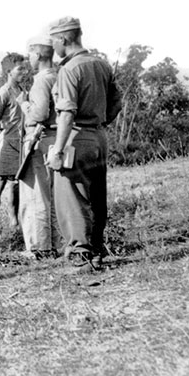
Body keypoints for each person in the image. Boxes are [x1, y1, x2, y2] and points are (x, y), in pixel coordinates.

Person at [46, 17, 121, 272]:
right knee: (97, 194)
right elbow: (117, 102)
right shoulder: (101, 64)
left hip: (76, 136)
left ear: (63, 39)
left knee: (71, 196)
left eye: (53, 41)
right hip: (99, 137)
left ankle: (81, 254)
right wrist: (101, 122)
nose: (53, 47)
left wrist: (57, 150)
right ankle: (97, 250)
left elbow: (66, 114)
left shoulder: (69, 70)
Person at [16, 36, 61, 259]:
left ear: (37, 55)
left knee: (36, 197)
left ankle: (39, 247)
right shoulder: (57, 76)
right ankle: (55, 244)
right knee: (51, 196)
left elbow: (40, 113)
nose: (28, 59)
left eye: (30, 55)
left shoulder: (41, 80)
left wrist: (24, 104)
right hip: (54, 139)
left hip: (39, 139)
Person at [0, 54, 28, 233]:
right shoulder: (2, 93)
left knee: (15, 183)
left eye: (24, 68)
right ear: (8, 72)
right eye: (20, 69)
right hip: (6, 142)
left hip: (20, 143)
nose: (24, 72)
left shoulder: (23, 91)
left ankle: (14, 223)